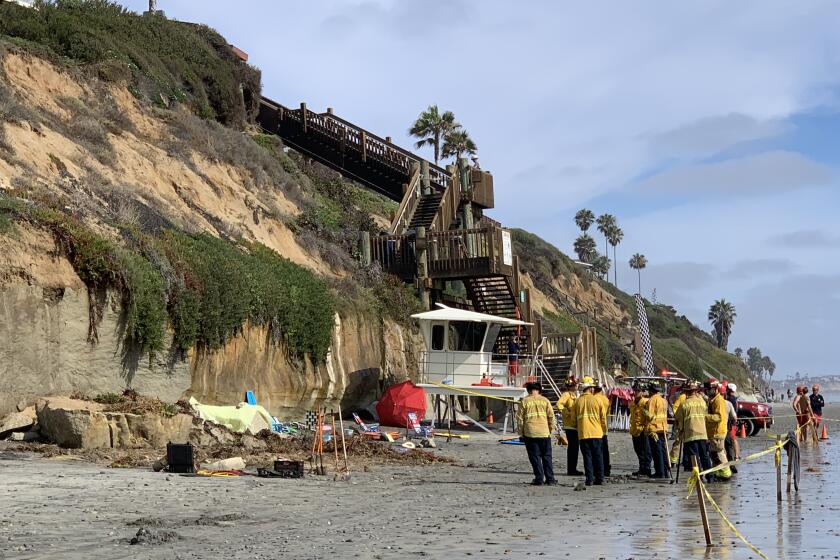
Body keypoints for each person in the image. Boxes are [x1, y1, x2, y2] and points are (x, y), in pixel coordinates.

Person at [517, 382, 556, 486]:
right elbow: (551, 417)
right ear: (539, 390)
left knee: (535, 457)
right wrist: (550, 430)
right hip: (544, 433)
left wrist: (521, 433)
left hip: (530, 433)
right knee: (547, 456)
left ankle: (539, 479)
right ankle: (550, 479)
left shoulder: (524, 401)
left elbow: (520, 419)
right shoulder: (545, 401)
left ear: (529, 390)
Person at [674, 381, 714, 481]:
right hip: (702, 434)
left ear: (687, 392)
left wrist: (680, 430)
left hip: (690, 434)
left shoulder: (684, 404)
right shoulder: (702, 402)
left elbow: (679, 418)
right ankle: (710, 477)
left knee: (694, 458)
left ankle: (699, 477)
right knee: (705, 456)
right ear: (696, 391)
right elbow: (705, 414)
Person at [575, 380, 605, 486]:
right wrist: (603, 430)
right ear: (591, 388)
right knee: (598, 456)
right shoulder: (597, 400)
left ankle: (589, 479)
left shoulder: (577, 401)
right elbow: (603, 418)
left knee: (587, 457)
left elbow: (574, 418)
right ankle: (600, 478)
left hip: (583, 433)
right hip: (596, 432)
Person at [704, 381, 732, 480]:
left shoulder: (718, 401)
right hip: (713, 432)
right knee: (714, 453)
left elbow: (718, 417)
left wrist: (705, 416)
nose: (707, 392)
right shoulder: (713, 400)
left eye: (709, 390)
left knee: (719, 453)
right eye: (706, 390)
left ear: (715, 389)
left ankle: (725, 474)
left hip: (718, 432)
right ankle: (719, 472)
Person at [555, 377, 582, 476]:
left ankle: (573, 468)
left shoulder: (574, 395)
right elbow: (559, 405)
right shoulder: (566, 395)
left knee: (575, 448)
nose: (577, 386)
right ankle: (571, 469)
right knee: (573, 447)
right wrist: (568, 413)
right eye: (575, 385)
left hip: (575, 425)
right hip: (570, 425)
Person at [644, 383, 669, 479]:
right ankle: (665, 472)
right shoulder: (663, 400)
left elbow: (650, 416)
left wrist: (644, 411)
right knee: (662, 451)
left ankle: (660, 472)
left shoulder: (652, 400)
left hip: (654, 429)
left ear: (651, 391)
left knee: (656, 452)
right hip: (663, 428)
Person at [629, 383, 651, 476]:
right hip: (635, 430)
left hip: (643, 430)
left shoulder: (645, 402)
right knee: (638, 450)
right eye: (635, 391)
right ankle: (641, 468)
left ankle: (647, 469)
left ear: (642, 392)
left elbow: (649, 416)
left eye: (638, 391)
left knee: (645, 451)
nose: (636, 393)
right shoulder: (632, 403)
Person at [593, 383, 611, 477]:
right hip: (604, 428)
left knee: (596, 451)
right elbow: (607, 413)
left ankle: (597, 470)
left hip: (595, 428)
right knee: (605, 450)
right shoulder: (606, 399)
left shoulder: (593, 399)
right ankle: (606, 470)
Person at [669, 385, 688, 466]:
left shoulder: (695, 398)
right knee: (678, 442)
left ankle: (686, 461)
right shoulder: (682, 397)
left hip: (689, 424)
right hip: (682, 423)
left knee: (686, 444)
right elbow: (675, 408)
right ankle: (673, 461)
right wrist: (678, 418)